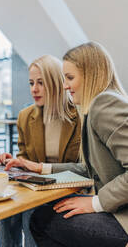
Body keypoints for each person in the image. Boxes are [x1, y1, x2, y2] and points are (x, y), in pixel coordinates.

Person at [30, 42, 128, 247]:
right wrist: (41, 168)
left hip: (123, 220)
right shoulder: (99, 105)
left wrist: (95, 203)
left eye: (70, 78)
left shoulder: (105, 105)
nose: (65, 85)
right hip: (118, 213)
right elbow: (90, 169)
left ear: (91, 75)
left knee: (42, 219)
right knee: (48, 214)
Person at [0, 54, 83, 247]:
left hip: (67, 188)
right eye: (31, 83)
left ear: (56, 83)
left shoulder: (80, 116)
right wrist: (14, 161)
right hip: (35, 188)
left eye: (41, 83)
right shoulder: (25, 116)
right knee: (7, 210)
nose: (34, 89)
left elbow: (83, 167)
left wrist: (36, 167)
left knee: (29, 213)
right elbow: (26, 159)